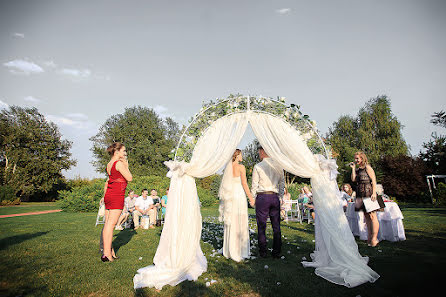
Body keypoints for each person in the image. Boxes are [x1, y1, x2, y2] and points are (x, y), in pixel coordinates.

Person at [219, 149, 255, 262]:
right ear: (237, 155)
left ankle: (229, 249)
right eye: (241, 154)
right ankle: (240, 249)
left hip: (230, 196)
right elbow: (244, 183)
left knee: (231, 219)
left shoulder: (228, 168)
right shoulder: (241, 167)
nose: (242, 156)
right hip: (239, 195)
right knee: (240, 219)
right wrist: (250, 197)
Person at [100, 142, 133, 262]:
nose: (125, 153)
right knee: (111, 224)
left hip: (109, 195)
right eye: (123, 151)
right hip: (116, 195)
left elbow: (109, 180)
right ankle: (106, 254)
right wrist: (126, 165)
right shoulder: (118, 163)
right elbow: (129, 177)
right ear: (117, 152)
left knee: (107, 224)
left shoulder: (109, 164)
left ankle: (109, 250)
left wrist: (104, 196)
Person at [251, 146, 285, 258]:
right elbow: (282, 184)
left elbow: (254, 185)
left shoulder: (258, 166)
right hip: (274, 197)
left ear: (262, 152)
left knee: (261, 225)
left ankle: (263, 251)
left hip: (262, 197)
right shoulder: (279, 166)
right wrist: (280, 197)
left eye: (259, 152)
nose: (259, 154)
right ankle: (276, 251)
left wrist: (252, 198)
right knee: (276, 226)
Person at [350, 151, 379, 247]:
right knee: (366, 217)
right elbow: (353, 179)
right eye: (355, 158)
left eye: (357, 158)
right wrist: (353, 169)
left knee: (372, 216)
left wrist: (374, 193)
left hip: (368, 192)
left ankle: (374, 238)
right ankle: (369, 237)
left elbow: (374, 181)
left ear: (362, 158)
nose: (356, 160)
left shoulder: (368, 168)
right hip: (359, 193)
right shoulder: (358, 169)